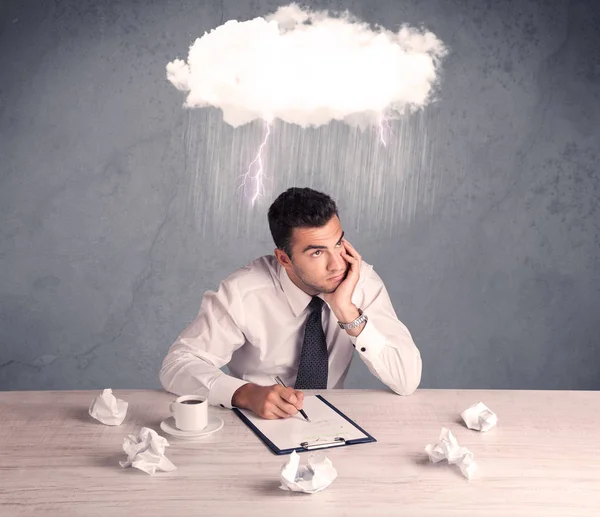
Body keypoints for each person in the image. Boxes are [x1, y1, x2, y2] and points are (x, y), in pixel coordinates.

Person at [160, 187, 422, 419]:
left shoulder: (358, 280)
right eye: (318, 252)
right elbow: (178, 364)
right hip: (255, 421)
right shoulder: (244, 291)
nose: (337, 264)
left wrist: (347, 311)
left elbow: (406, 380)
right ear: (284, 258)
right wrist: (246, 394)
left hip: (331, 421)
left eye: (338, 244)